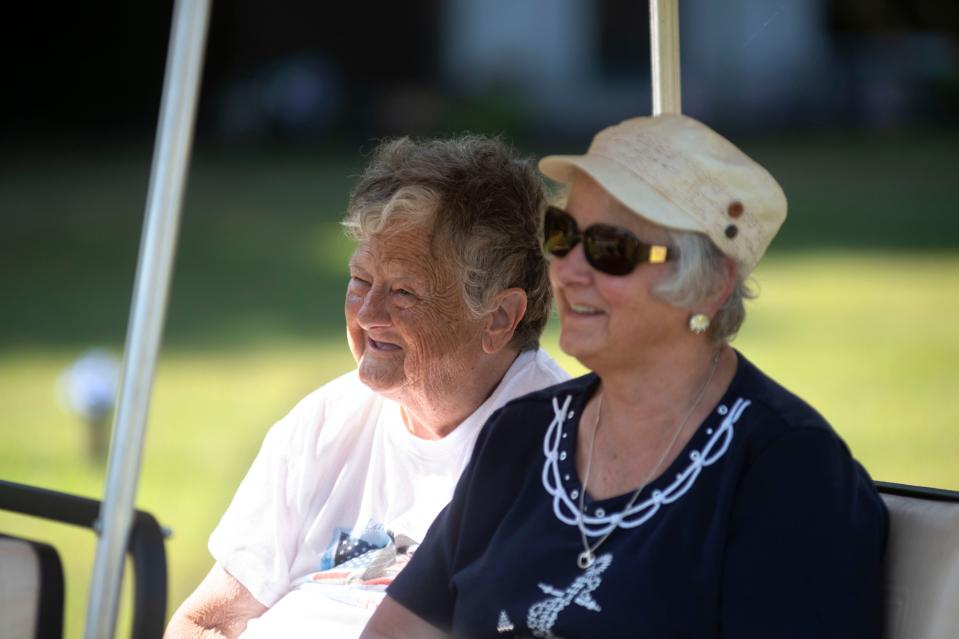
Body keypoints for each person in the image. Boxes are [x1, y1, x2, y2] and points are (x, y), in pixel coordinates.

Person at [362, 114, 889, 639]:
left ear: (711, 285)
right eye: (564, 235)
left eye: (611, 249)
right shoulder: (521, 435)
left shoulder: (787, 470)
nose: (567, 269)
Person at [164, 136, 569, 638]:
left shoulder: (560, 457)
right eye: (360, 280)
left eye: (404, 292)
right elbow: (207, 620)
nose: (368, 314)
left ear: (499, 318)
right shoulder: (325, 423)